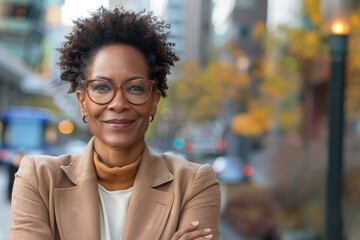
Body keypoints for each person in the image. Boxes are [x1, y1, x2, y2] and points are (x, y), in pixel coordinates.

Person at [10, 6, 221, 240]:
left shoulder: (194, 184)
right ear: (82, 102)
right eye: (102, 87)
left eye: (135, 88)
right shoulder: (38, 179)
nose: (118, 103)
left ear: (153, 101)